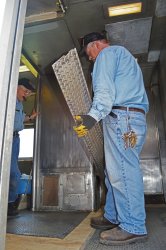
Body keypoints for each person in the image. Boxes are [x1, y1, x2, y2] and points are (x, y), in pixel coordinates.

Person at [73, 32, 149, 245]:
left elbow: (104, 91)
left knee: (122, 171)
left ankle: (133, 226)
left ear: (95, 45)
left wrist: (91, 118)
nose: (91, 59)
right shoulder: (125, 56)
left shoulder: (106, 55)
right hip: (130, 119)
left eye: (89, 54)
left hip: (121, 119)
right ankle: (113, 215)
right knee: (115, 170)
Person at [8, 78, 38, 216]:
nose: (26, 95)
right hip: (6, 139)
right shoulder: (7, 99)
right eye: (25, 91)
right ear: (17, 87)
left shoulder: (19, 104)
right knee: (14, 173)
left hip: (15, 140)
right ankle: (9, 205)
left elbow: (20, 119)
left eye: (29, 93)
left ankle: (9, 205)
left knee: (14, 173)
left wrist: (31, 117)